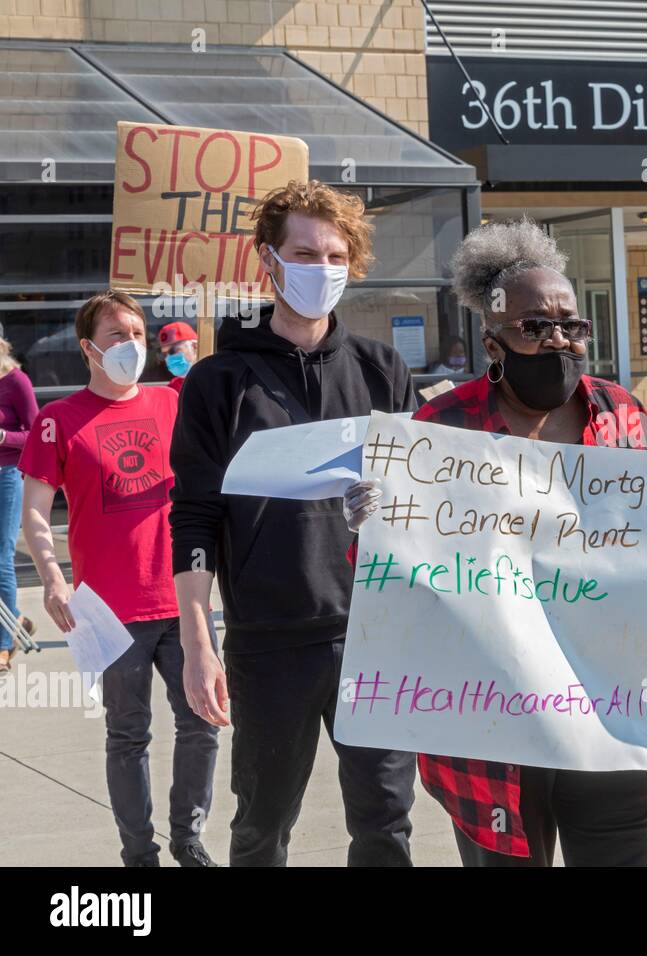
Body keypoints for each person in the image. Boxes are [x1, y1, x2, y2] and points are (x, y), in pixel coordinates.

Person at [347, 219, 647, 867]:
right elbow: (393, 579)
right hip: (491, 719)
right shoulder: (442, 428)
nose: (557, 339)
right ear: (493, 343)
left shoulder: (622, 413)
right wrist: (372, 523)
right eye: (533, 327)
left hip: (613, 700)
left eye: (570, 325)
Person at [169, 180, 419, 867]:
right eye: (305, 253)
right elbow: (192, 517)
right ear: (269, 262)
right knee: (262, 827)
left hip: (375, 637)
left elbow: (427, 495)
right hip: (269, 642)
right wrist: (198, 643)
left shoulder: (382, 370)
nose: (323, 267)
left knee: (386, 823)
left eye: (337, 254)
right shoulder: (220, 380)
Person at [19, 291, 219, 866]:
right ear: (88, 348)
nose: (131, 344)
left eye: (137, 333)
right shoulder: (58, 421)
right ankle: (139, 853)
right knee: (128, 735)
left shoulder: (174, 404)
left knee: (201, 724)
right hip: (108, 611)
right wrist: (53, 580)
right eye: (116, 335)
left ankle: (189, 837)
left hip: (184, 601)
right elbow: (36, 510)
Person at [0, 334, 38, 673]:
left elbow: (36, 433)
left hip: (6, 477)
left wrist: (2, 436)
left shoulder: (16, 381)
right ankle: (16, 620)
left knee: (1, 559)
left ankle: (3, 643)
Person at [158, 321, 198, 395]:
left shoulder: (216, 380)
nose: (168, 358)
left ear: (194, 346)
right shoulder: (172, 389)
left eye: (173, 350)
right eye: (164, 354)